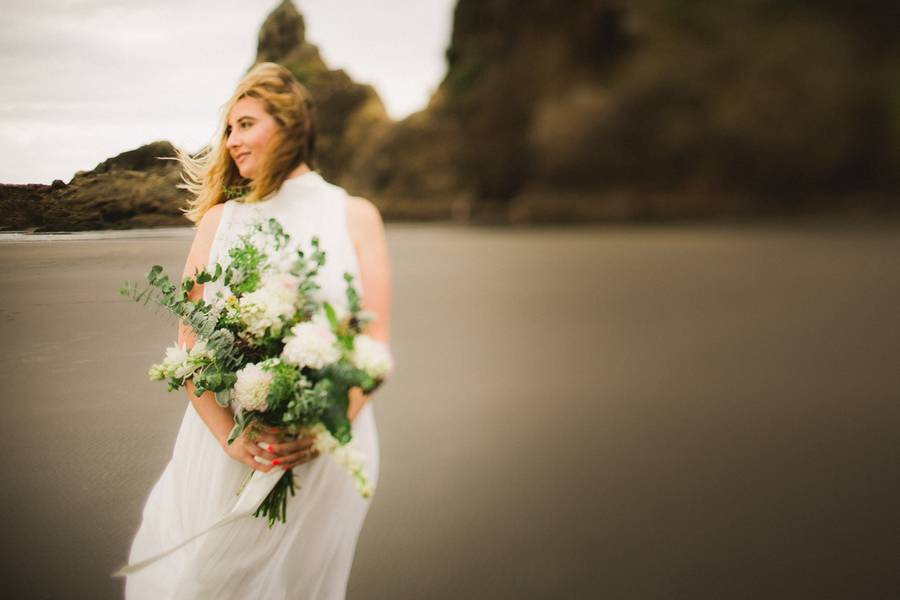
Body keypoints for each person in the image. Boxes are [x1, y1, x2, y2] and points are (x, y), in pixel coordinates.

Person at [124, 62, 392, 599]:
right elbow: (189, 339)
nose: (232, 140)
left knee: (302, 587)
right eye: (228, 129)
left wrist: (325, 430)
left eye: (246, 124)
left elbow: (374, 342)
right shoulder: (220, 223)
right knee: (203, 583)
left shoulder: (354, 216)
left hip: (328, 449)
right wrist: (231, 433)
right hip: (228, 445)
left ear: (290, 124)